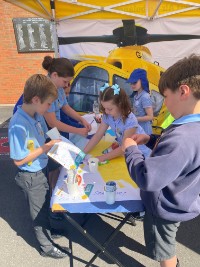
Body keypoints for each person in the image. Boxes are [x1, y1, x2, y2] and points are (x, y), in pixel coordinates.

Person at [122, 54, 200, 267]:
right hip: (179, 200)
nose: (163, 102)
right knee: (166, 243)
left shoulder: (182, 137)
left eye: (165, 96)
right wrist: (150, 139)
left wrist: (130, 150)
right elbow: (180, 157)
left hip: (164, 207)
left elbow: (148, 178)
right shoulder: (191, 129)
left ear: (183, 91)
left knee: (164, 250)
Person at [8, 74, 70, 259]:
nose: (49, 108)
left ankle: (49, 233)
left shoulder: (35, 113)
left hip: (40, 169)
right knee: (39, 212)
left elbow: (47, 131)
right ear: (36, 99)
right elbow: (18, 160)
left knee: (45, 203)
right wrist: (46, 147)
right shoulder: (18, 124)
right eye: (48, 104)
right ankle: (46, 247)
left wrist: (58, 139)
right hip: (30, 175)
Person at [83, 83, 151, 162]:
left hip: (141, 155)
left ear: (120, 105)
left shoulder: (130, 121)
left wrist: (102, 158)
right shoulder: (107, 115)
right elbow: (98, 135)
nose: (106, 111)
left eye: (110, 109)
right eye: (104, 108)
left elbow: (124, 147)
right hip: (126, 152)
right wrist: (83, 152)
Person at [127, 68, 153, 134]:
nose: (132, 85)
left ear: (142, 81)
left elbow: (150, 117)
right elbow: (137, 110)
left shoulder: (145, 96)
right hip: (137, 127)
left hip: (144, 130)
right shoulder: (136, 95)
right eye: (131, 83)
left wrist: (134, 119)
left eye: (135, 82)